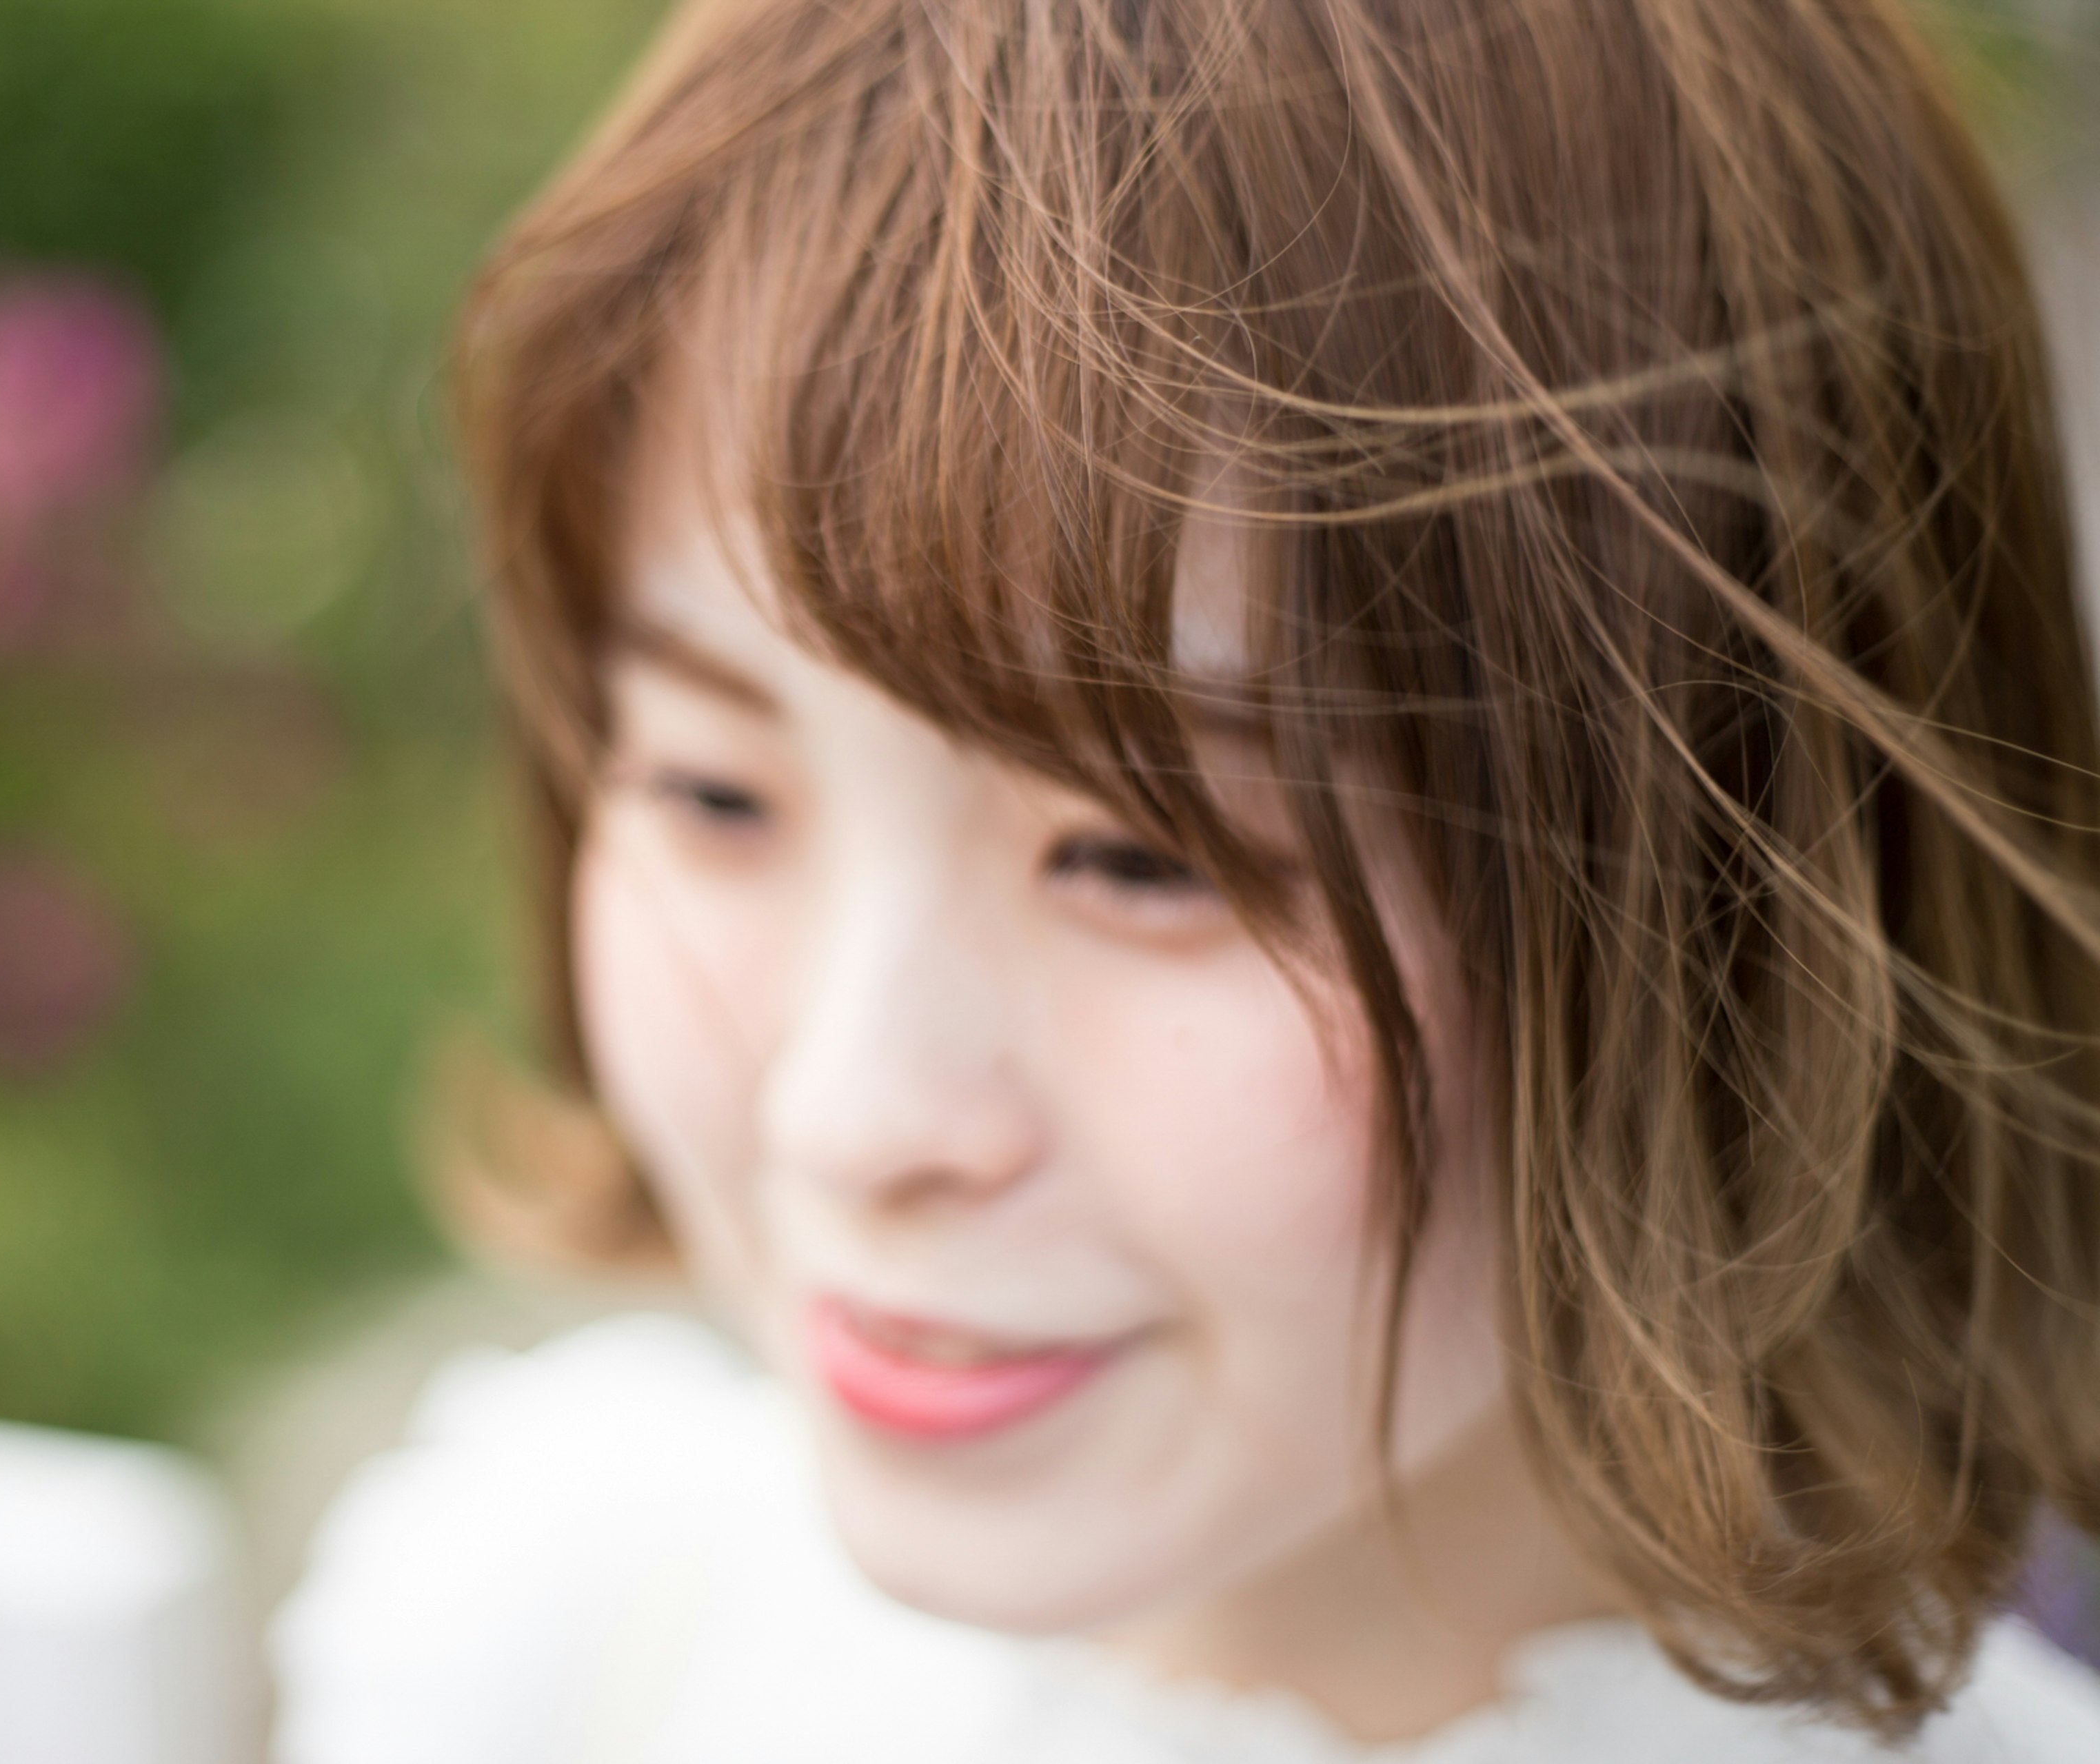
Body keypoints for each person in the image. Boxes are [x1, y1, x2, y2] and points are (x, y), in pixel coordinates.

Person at [274, 0, 2100, 1756]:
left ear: (1748, 882)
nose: (854, 1114)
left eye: (1146, 857)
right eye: (713, 795)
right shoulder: (580, 1640)